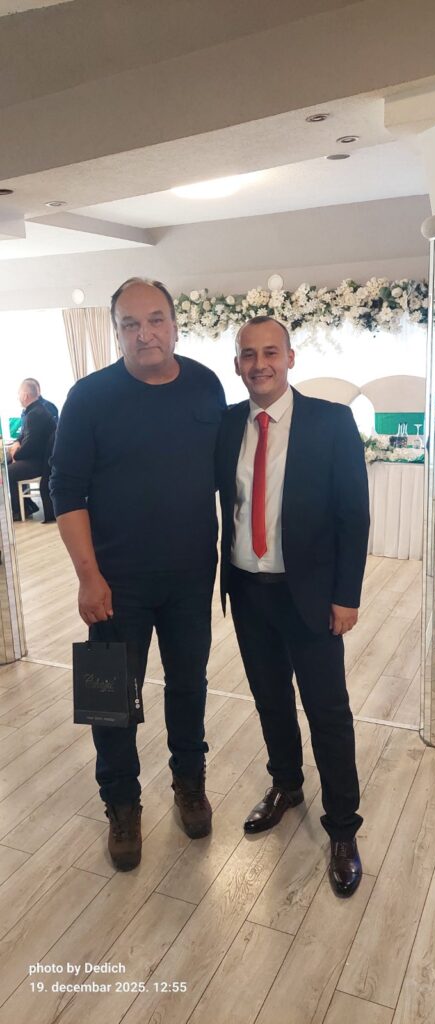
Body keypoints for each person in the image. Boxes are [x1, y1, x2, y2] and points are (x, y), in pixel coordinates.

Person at [50, 278, 225, 871]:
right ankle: (121, 803)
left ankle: (190, 783)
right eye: (130, 323)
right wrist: (87, 577)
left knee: (189, 685)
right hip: (113, 581)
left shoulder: (205, 384)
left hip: (191, 576)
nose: (144, 333)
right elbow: (66, 490)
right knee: (108, 699)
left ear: (175, 324)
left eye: (155, 320)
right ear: (116, 330)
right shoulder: (88, 397)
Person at [216, 316, 370, 898]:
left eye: (270, 352)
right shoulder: (227, 424)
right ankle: (286, 783)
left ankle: (343, 827)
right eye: (248, 354)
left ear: (290, 357)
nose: (260, 364)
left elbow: (353, 515)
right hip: (248, 590)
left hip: (309, 595)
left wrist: (346, 595)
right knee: (270, 699)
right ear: (237, 363)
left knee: (328, 712)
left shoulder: (331, 422)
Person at [7, 379, 56, 521]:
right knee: (8, 464)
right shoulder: (36, 411)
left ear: (25, 395)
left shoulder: (35, 414)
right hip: (38, 458)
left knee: (7, 472)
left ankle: (19, 510)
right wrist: (16, 443)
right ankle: (27, 506)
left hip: (39, 462)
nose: (18, 398)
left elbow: (30, 446)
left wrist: (16, 454)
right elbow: (24, 436)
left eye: (19, 394)